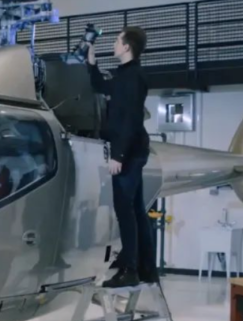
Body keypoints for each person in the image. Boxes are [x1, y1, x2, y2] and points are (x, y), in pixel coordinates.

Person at [87, 27, 158, 288]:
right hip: (131, 151)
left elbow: (131, 119)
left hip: (129, 153)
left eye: (118, 40)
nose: (114, 44)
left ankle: (130, 269)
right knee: (136, 210)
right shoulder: (125, 75)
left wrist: (118, 155)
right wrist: (91, 62)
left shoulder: (133, 78)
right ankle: (146, 268)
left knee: (125, 210)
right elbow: (101, 86)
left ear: (127, 47)